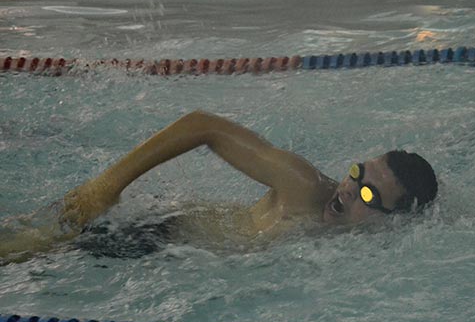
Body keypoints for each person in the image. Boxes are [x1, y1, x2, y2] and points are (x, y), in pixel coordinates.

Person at [1, 110, 437, 261]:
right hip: (146, 237)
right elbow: (202, 125)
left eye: (365, 194)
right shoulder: (303, 186)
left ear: (389, 222)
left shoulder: (370, 246)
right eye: (356, 173)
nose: (348, 187)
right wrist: (104, 187)